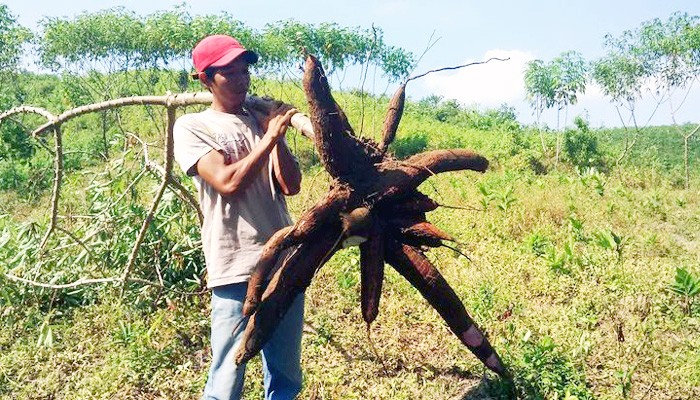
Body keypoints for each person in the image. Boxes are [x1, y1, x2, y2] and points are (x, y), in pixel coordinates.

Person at [173, 34, 304, 400]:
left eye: (244, 70)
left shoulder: (260, 123)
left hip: (283, 262)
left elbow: (291, 186)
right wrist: (268, 137)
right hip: (235, 265)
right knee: (228, 375)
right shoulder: (193, 126)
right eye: (229, 72)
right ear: (205, 79)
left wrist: (274, 136)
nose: (242, 79)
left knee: (286, 377)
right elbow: (227, 182)